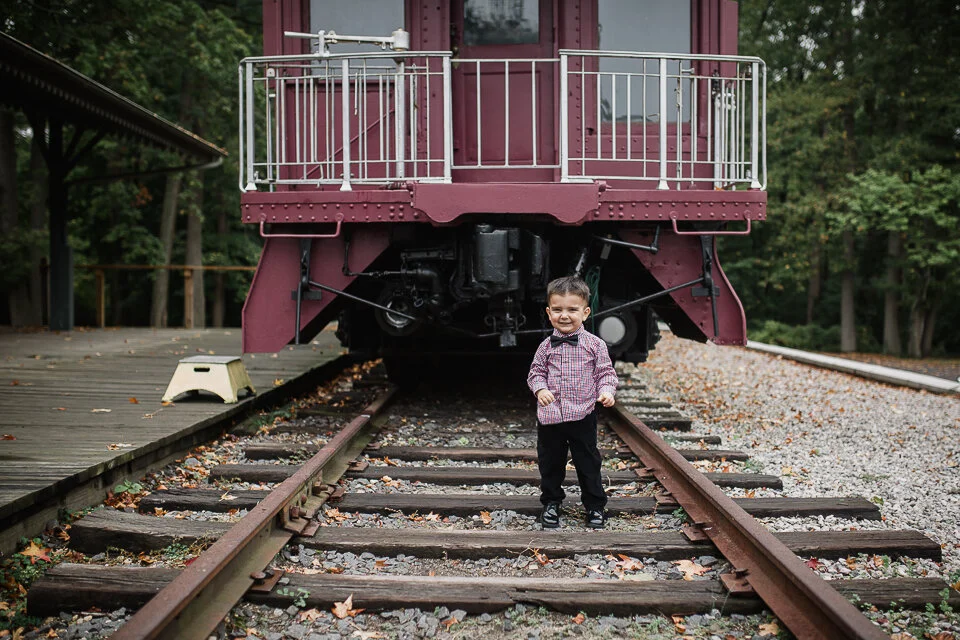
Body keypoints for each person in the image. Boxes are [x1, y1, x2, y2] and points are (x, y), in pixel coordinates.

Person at [527, 276, 618, 529]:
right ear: (549, 313)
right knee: (550, 462)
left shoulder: (595, 345)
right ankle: (551, 503)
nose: (564, 316)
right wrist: (540, 389)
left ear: (585, 313)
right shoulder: (545, 347)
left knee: (588, 462)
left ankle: (595, 506)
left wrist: (607, 392)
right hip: (551, 416)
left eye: (572, 310)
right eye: (557, 310)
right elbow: (535, 373)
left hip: (582, 414)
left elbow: (605, 373)